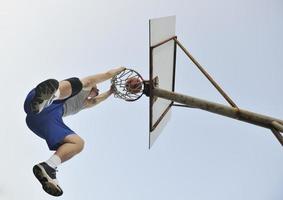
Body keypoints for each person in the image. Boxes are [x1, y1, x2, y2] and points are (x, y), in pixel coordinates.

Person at [24, 67, 125, 196]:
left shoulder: (84, 104)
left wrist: (111, 92)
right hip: (40, 101)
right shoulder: (87, 85)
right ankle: (50, 96)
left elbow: (97, 100)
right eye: (97, 88)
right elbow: (107, 74)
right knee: (77, 83)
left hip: (44, 120)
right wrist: (122, 69)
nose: (98, 91)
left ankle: (49, 166)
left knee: (78, 143)